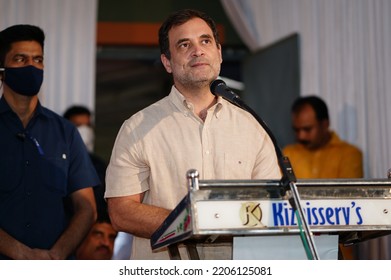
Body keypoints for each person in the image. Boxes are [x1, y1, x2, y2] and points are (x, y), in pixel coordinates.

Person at [105, 9, 281, 260]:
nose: (198, 50)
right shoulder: (137, 128)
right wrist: (194, 220)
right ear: (167, 62)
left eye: (205, 41)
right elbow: (121, 213)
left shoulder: (252, 126)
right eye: (184, 44)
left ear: (219, 53)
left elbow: (272, 206)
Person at [0, 24, 99, 259]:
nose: (31, 67)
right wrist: (19, 253)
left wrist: (55, 256)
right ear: (2, 70)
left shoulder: (66, 132)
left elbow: (86, 208)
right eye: (20, 59)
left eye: (38, 60)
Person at [283, 95, 363, 259]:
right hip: (296, 251)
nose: (301, 136)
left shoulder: (349, 154)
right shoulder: (288, 154)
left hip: (338, 252)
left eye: (307, 129)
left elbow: (349, 203)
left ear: (325, 124)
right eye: (297, 130)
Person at [63, 105, 108, 218]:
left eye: (87, 125)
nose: (84, 130)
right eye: (78, 125)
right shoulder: (56, 162)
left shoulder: (98, 165)